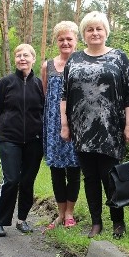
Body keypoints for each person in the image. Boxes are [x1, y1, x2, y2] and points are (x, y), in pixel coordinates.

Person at [61, 11, 129, 239]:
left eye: (99, 29)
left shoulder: (119, 58)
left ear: (106, 32)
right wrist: (65, 124)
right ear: (84, 34)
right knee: (90, 178)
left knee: (111, 176)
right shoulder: (73, 59)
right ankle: (96, 222)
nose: (95, 33)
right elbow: (65, 94)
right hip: (82, 129)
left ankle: (118, 221)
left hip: (111, 129)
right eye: (90, 29)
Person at [0, 44, 45, 237]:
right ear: (15, 60)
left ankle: (22, 219)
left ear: (33, 59)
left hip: (34, 140)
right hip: (9, 139)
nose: (22, 59)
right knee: (12, 179)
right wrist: (4, 130)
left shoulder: (39, 84)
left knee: (27, 181)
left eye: (26, 55)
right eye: (18, 55)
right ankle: (0, 222)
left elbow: (43, 111)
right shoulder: (5, 83)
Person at [42, 21, 81, 231]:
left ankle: (70, 213)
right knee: (56, 169)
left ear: (76, 40)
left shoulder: (83, 62)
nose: (65, 43)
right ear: (56, 41)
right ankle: (60, 213)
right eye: (61, 39)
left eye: (69, 39)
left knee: (74, 169)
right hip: (53, 125)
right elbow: (45, 95)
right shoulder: (47, 66)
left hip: (76, 124)